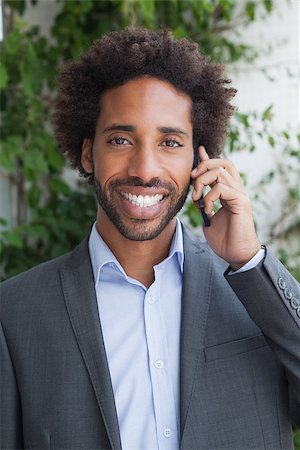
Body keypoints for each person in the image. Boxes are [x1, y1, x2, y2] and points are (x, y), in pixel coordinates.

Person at [1, 27, 299, 450]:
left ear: (200, 158)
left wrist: (250, 260)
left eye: (170, 142)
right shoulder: (14, 314)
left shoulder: (252, 291)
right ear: (88, 153)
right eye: (121, 139)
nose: (145, 168)